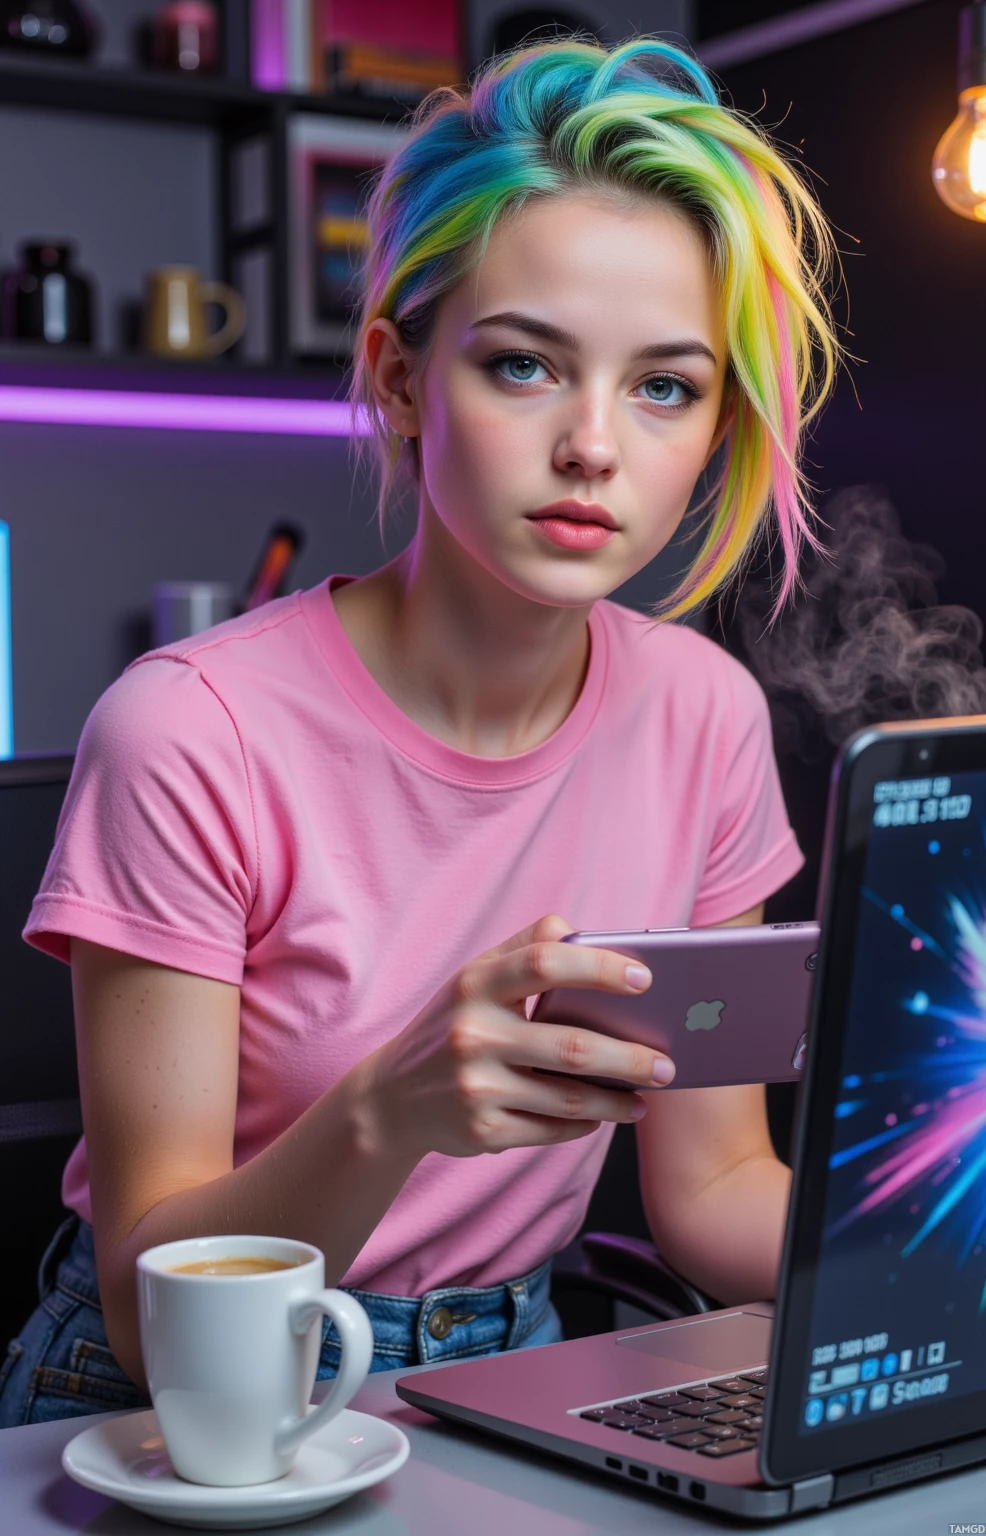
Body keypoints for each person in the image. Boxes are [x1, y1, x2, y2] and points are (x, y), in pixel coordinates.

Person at [0, 35, 839, 1426]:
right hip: (170, 1402)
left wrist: (952, 1258)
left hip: (514, 1370)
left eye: (665, 386)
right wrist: (386, 1113)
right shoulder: (188, 730)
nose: (594, 445)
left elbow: (712, 1187)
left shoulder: (704, 714)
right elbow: (158, 1326)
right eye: (524, 366)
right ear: (399, 376)